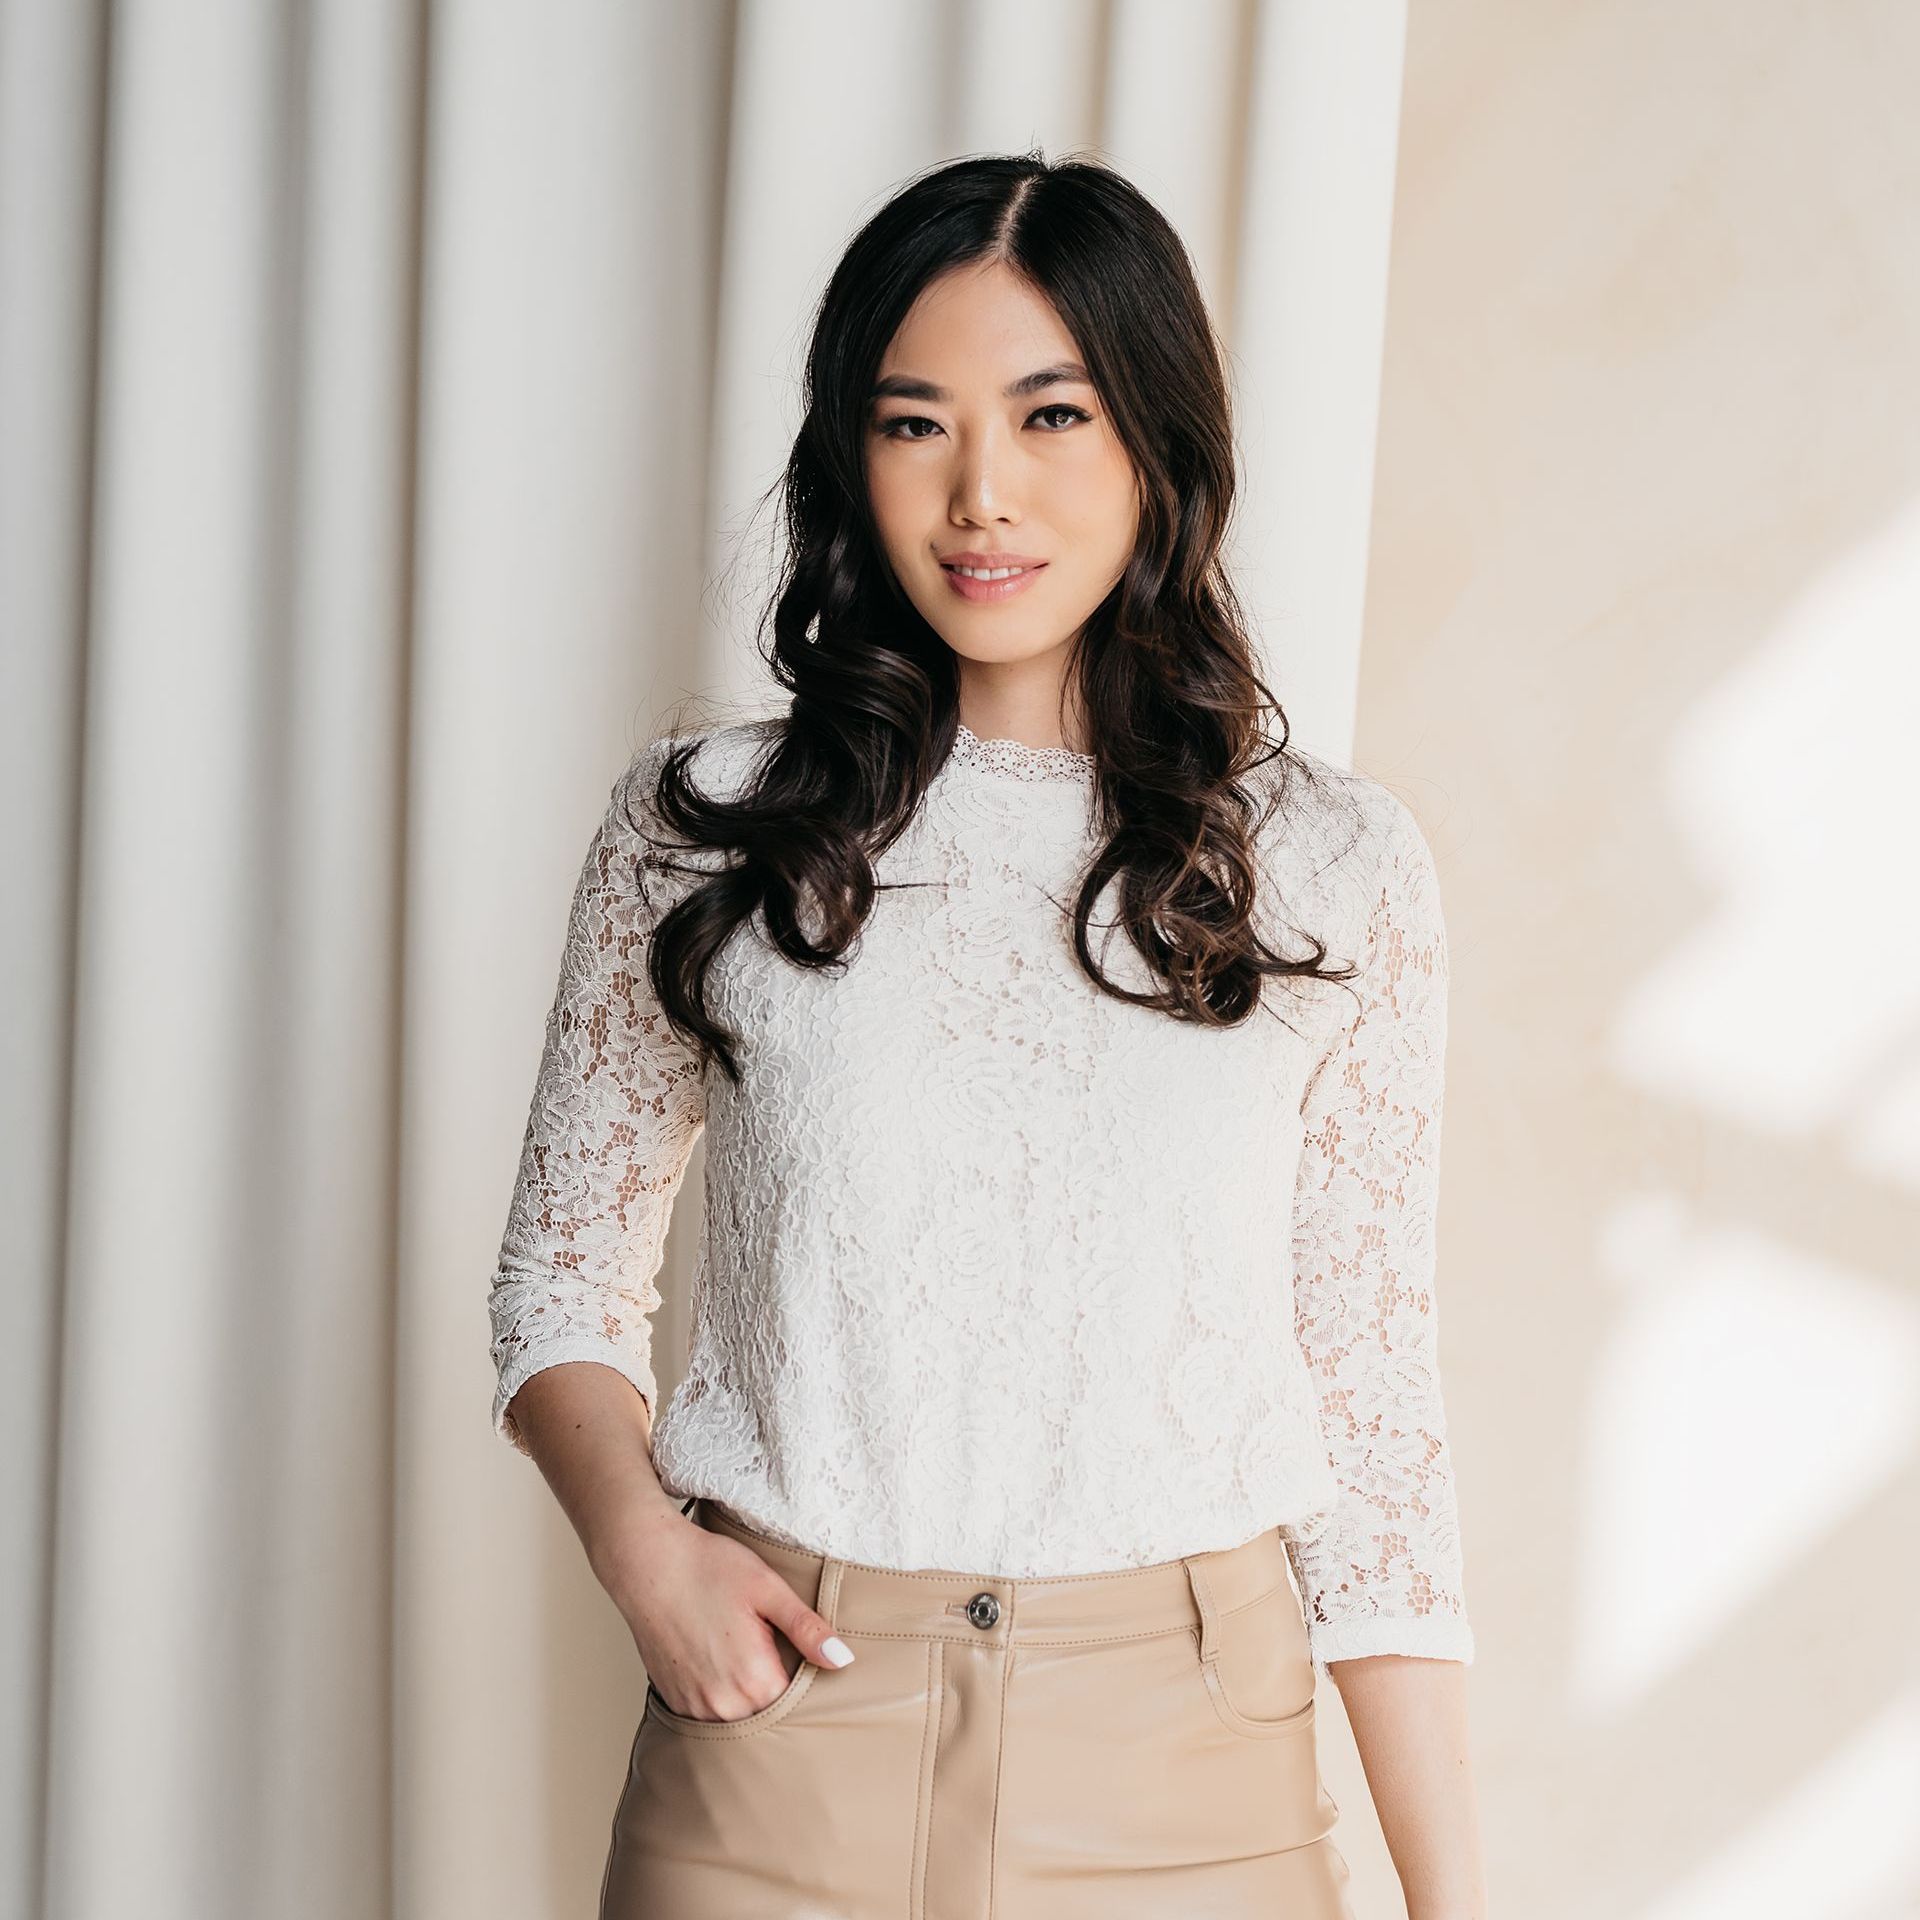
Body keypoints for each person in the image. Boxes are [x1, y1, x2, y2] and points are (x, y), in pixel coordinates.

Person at [486, 151, 1488, 1919]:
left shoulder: (1333, 865)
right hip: (781, 1746)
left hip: (1197, 1763)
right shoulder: (702, 827)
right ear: (847, 457)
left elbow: (1373, 1404)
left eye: (1051, 417)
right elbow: (562, 1285)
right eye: (913, 423)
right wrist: (644, 1550)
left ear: (1159, 446)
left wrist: (1456, 1897)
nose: (980, 496)